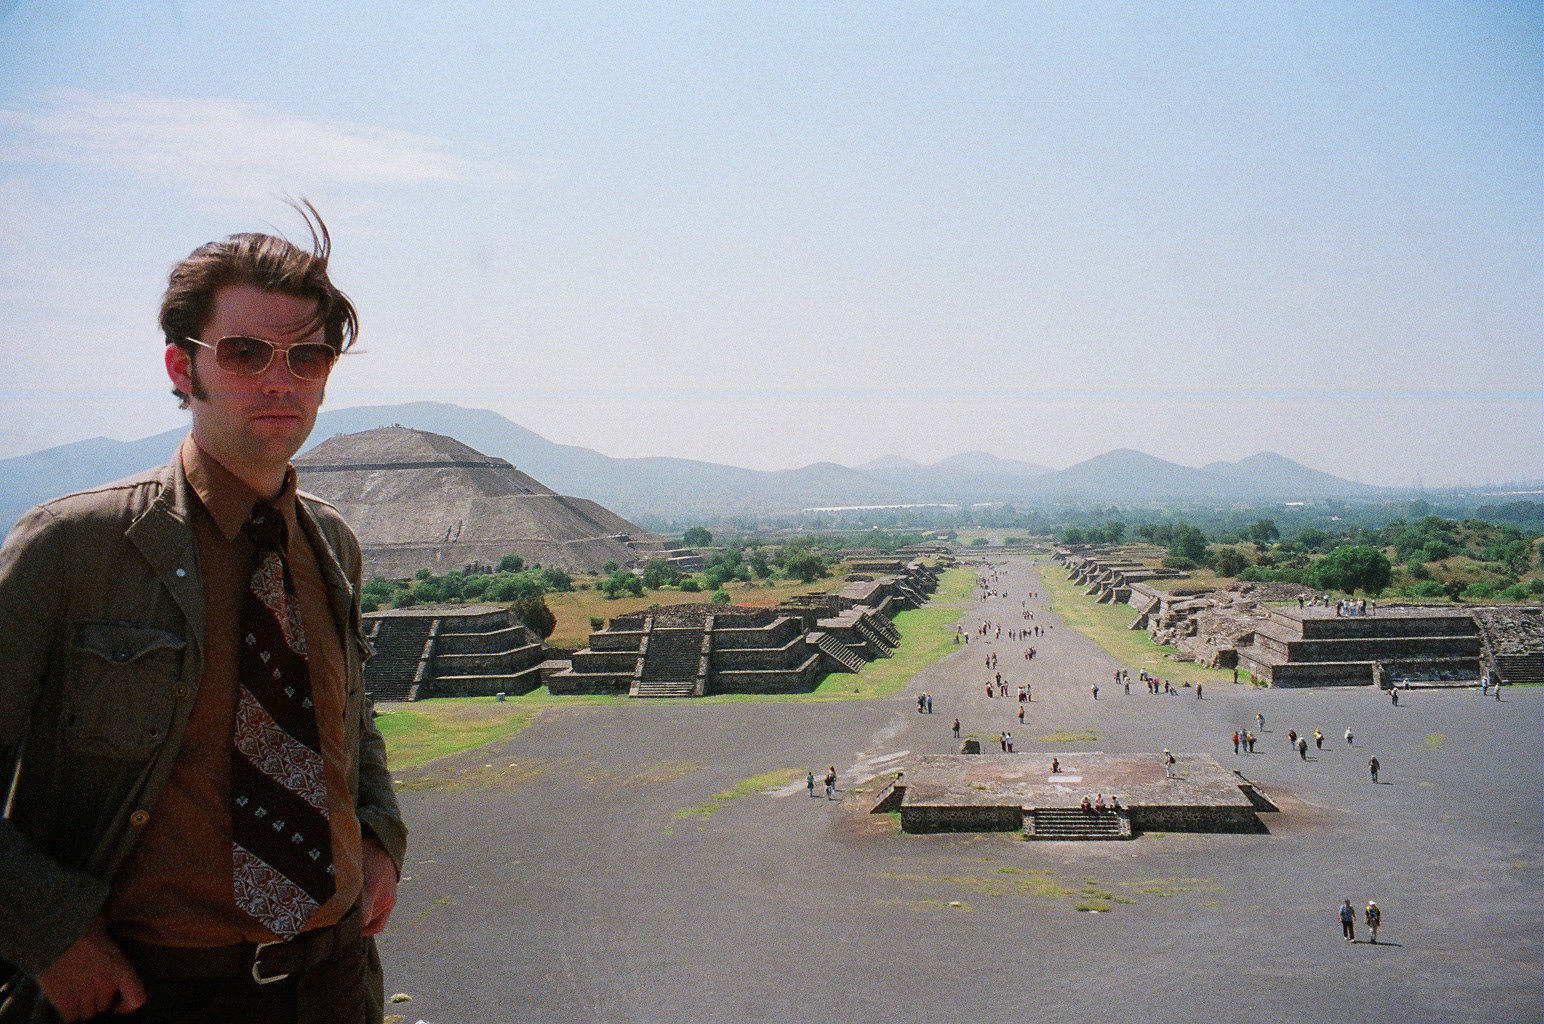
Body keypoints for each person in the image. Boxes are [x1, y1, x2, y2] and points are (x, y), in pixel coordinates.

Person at [0, 206, 407, 1024]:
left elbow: (345, 721)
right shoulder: (73, 548)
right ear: (182, 368)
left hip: (331, 982)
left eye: (309, 353)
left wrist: (379, 836)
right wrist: (51, 936)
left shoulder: (331, 545)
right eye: (246, 352)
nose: (279, 378)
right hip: (149, 991)